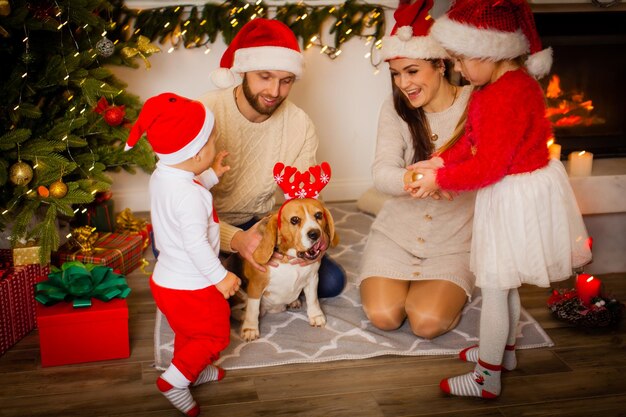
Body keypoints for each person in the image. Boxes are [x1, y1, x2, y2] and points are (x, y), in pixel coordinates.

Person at [408, 0, 592, 398]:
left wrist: (439, 178)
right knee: (503, 283)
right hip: (515, 190)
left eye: (460, 60)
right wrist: (440, 159)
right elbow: (473, 139)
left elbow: (488, 167)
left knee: (494, 286)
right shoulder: (501, 84)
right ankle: (503, 353)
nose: (457, 69)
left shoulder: (502, 95)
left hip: (512, 197)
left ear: (487, 51)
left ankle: (486, 376)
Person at [197, 18, 345, 298]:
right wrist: (236, 240)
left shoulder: (299, 124)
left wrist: (305, 242)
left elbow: (304, 201)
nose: (274, 92)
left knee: (331, 282)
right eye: (264, 77)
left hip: (260, 222)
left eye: (285, 81)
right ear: (243, 71)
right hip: (200, 223)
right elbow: (181, 197)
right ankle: (232, 268)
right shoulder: (206, 111)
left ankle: (242, 270)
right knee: (207, 295)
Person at [357, 0, 476, 339]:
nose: (403, 84)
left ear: (440, 64)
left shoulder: (475, 103)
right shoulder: (395, 108)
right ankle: (403, 283)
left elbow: (487, 165)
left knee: (425, 324)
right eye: (395, 74)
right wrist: (418, 178)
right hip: (396, 234)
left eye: (412, 71)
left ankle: (443, 291)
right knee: (383, 316)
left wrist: (447, 177)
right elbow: (381, 173)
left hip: (454, 242)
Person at [125, 93, 241, 416]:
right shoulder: (190, 197)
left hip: (166, 281)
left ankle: (191, 369)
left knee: (190, 334)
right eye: (212, 142)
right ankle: (174, 381)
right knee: (215, 334)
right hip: (191, 284)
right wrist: (221, 277)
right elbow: (196, 245)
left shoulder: (164, 175)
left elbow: (185, 189)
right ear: (196, 153)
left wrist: (211, 175)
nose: (216, 146)